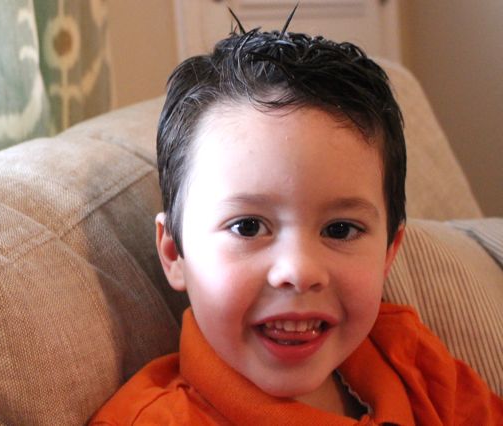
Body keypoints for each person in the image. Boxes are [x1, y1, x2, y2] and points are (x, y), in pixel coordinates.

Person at [90, 12, 503, 425]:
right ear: (173, 252)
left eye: (340, 229)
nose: (299, 272)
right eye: (248, 226)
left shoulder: (412, 362)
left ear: (388, 253)